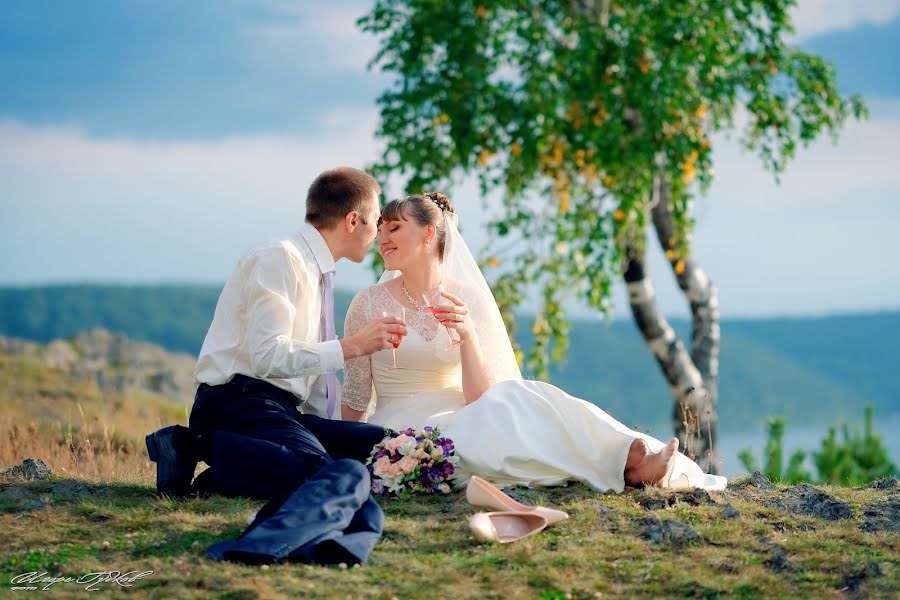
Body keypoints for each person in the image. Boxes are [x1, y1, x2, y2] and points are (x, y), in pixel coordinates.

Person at [341, 192, 727, 492]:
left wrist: (468, 335)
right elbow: (356, 397)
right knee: (496, 431)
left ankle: (630, 455)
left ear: (428, 234)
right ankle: (625, 466)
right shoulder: (368, 304)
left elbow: (479, 395)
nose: (382, 238)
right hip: (403, 424)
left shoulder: (467, 298)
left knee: (525, 396)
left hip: (461, 409)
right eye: (382, 229)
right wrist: (343, 451)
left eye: (394, 228)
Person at [145, 167, 407, 565]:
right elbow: (269, 357)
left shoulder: (318, 272)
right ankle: (192, 444)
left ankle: (223, 478)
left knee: (380, 446)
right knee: (328, 472)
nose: (376, 235)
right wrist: (352, 346)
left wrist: (324, 428)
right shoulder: (280, 258)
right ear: (354, 220)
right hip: (238, 400)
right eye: (374, 223)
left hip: (279, 409)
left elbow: (306, 378)